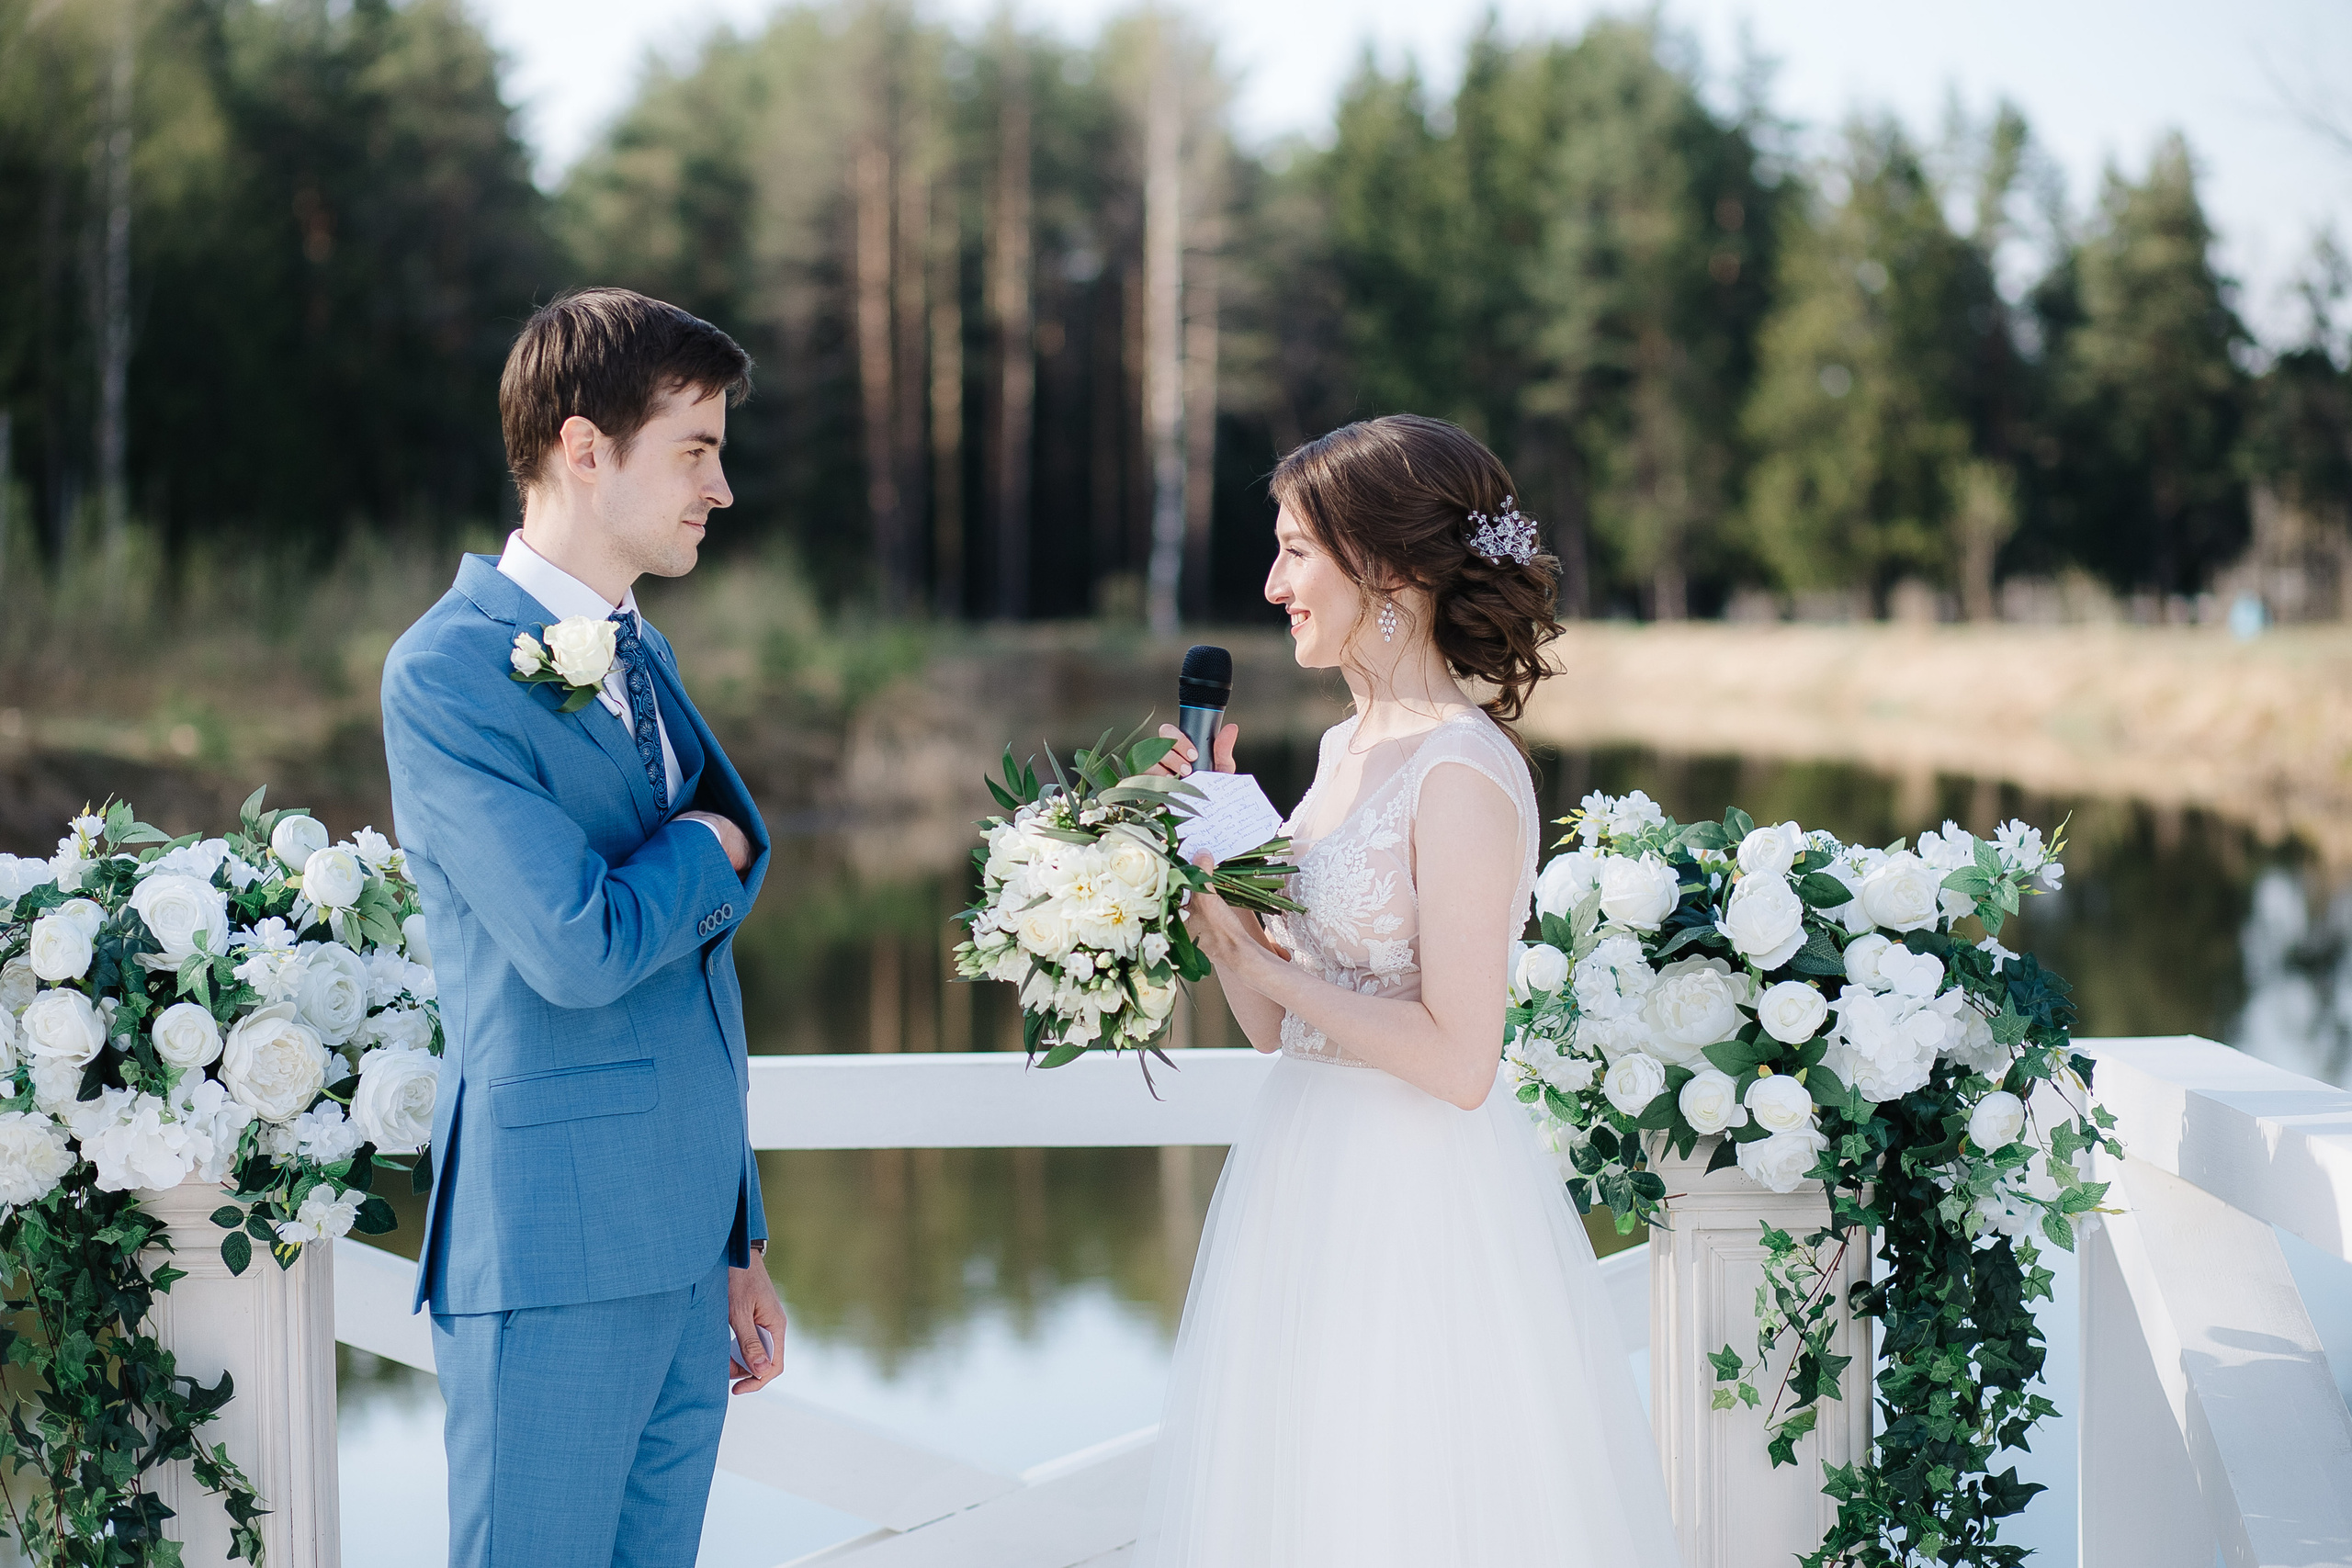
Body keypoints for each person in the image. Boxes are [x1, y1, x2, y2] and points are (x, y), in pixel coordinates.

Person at [1135, 414, 1681, 1566]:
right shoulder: (1342, 753)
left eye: (1295, 550)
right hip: (1301, 1177)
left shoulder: (1462, 771)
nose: (1274, 581)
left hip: (1419, 1199)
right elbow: (1279, 1030)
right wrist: (1224, 891)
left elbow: (1458, 1058)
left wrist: (1254, 957)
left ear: (1383, 569)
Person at [379, 288, 786, 1568]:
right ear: (584, 447)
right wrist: (703, 845)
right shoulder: (445, 671)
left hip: (682, 1258)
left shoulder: (639, 650)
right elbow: (578, 944)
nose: (720, 486)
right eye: (697, 449)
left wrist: (738, 1237)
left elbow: (693, 976)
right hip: (550, 1249)